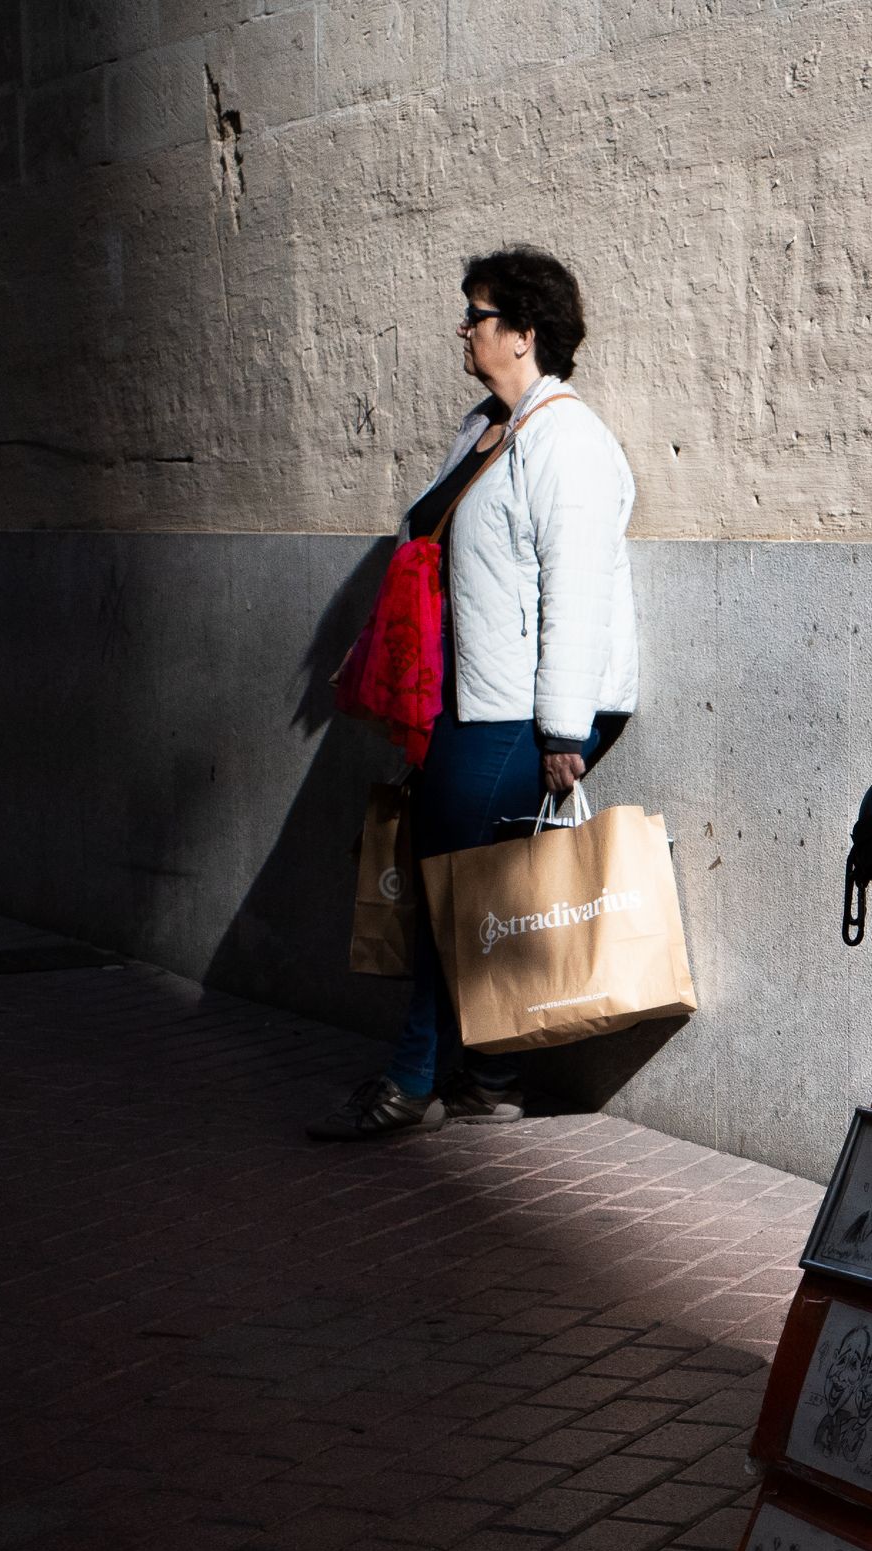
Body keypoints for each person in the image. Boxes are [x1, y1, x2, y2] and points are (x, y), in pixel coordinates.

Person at [316, 247, 640, 1140]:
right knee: (476, 885)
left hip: (529, 709)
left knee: (447, 888)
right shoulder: (489, 426)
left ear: (526, 334)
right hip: (477, 694)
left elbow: (577, 592)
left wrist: (563, 729)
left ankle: (411, 1080)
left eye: (479, 314)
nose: (464, 329)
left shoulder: (568, 441)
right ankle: (489, 1077)